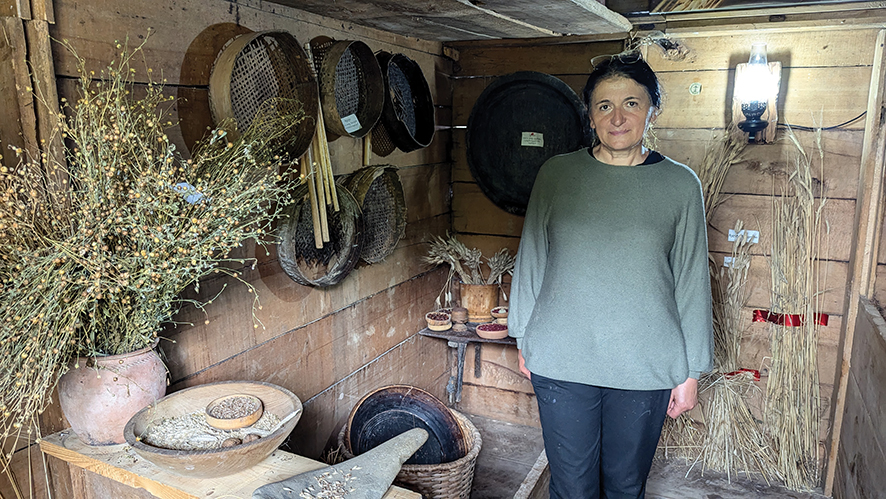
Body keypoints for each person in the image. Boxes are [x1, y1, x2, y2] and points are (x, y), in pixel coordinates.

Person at [508, 51, 713, 499]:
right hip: (562, 358)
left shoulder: (680, 185)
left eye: (632, 103)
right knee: (572, 485)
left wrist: (692, 370)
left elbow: (693, 279)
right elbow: (532, 259)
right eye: (604, 105)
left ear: (652, 109)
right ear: (590, 115)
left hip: (645, 364)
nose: (617, 117)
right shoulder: (557, 175)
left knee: (624, 485)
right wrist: (522, 335)